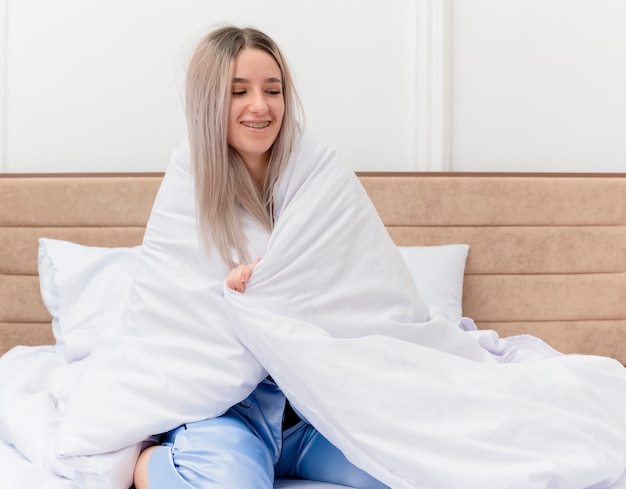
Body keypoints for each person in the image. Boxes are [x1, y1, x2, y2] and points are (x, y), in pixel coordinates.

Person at [132, 25, 389, 489]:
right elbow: (173, 314)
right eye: (239, 92)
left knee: (410, 467)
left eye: (273, 90)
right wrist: (239, 298)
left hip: (313, 409)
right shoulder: (189, 180)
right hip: (226, 412)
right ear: (209, 101)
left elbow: (361, 281)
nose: (261, 106)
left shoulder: (318, 173)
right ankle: (151, 464)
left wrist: (280, 282)